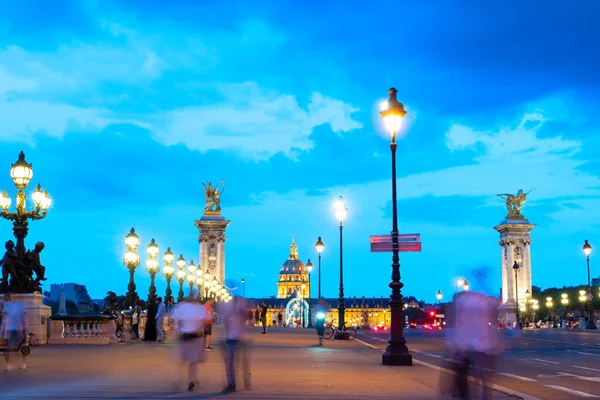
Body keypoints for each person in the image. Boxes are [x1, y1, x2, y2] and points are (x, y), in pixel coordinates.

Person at [170, 297, 209, 392]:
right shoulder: (200, 308)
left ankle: (178, 381)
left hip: (184, 336)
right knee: (193, 361)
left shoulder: (182, 306)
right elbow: (206, 320)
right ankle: (191, 382)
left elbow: (173, 319)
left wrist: (177, 330)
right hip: (196, 336)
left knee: (181, 360)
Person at [222, 296, 251, 393]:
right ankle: (246, 381)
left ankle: (232, 383)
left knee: (231, 363)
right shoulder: (242, 311)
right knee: (244, 361)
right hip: (242, 337)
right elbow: (246, 318)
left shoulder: (229, 311)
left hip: (232, 338)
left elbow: (225, 322)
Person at [1, 293, 27, 371]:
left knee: (23, 347)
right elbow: (4, 318)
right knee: (7, 348)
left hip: (19, 328)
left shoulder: (18, 305)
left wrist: (24, 329)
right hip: (9, 329)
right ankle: (8, 363)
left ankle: (23, 363)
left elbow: (23, 318)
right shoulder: (6, 306)